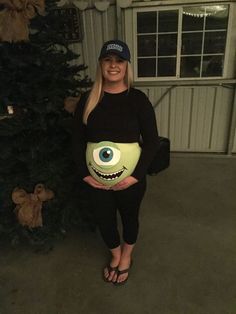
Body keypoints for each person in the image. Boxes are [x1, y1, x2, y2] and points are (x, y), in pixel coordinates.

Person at [73, 39, 159, 285]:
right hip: (96, 182)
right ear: (100, 64)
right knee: (104, 220)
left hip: (130, 180)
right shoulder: (88, 99)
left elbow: (152, 142)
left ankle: (127, 257)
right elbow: (76, 141)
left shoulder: (138, 99)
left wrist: (135, 176)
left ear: (126, 66)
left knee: (130, 218)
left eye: (119, 61)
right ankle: (116, 254)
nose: (113, 66)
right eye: (108, 60)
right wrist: (85, 175)